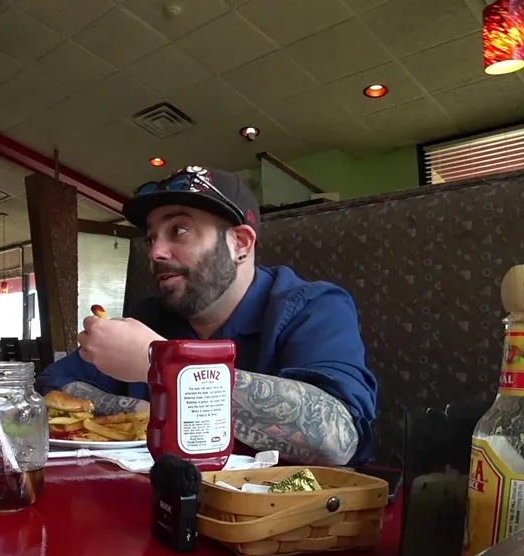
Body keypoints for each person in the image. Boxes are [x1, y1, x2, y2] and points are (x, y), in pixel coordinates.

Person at [37, 166, 377, 466]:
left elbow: (338, 438)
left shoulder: (314, 308)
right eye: (151, 238)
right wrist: (141, 412)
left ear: (240, 243)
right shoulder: (149, 317)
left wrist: (162, 365)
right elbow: (53, 385)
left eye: (179, 230)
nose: (155, 252)